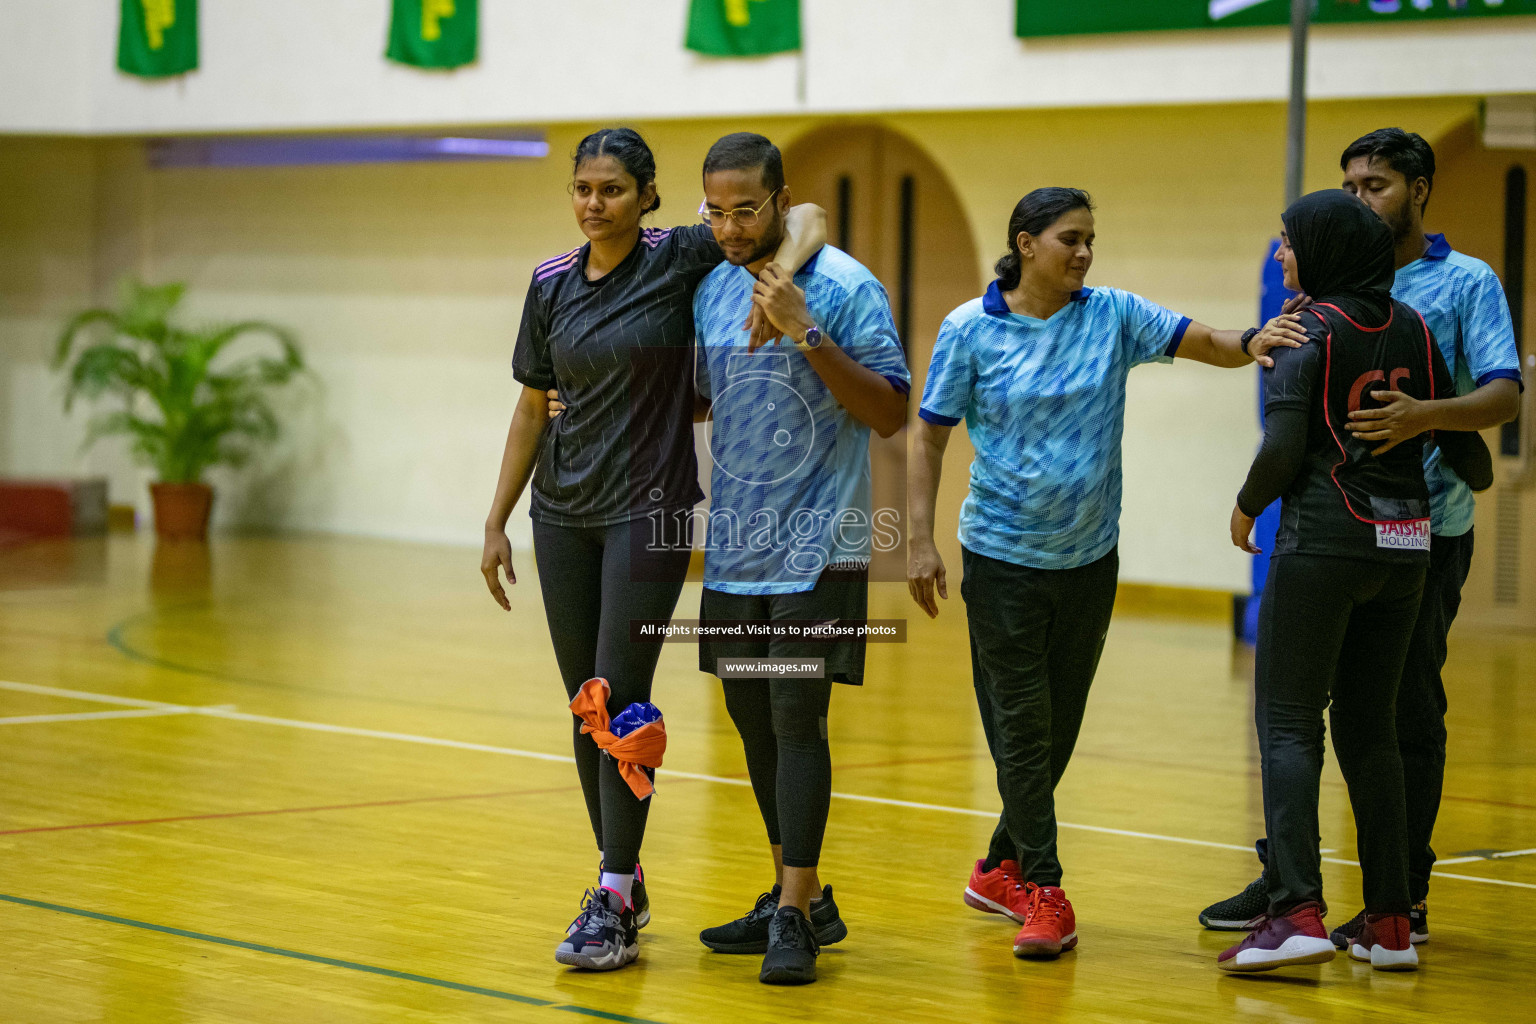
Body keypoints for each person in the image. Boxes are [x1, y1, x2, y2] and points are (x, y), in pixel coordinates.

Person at [907, 186, 1307, 961]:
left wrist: (1257, 339)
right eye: (1070, 239)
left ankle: (998, 868)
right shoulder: (968, 330)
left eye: (1091, 238)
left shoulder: (1113, 313)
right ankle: (1045, 892)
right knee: (1022, 730)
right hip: (1000, 560)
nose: (1085, 253)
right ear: (1026, 244)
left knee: (1052, 731)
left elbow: (1207, 341)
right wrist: (919, 542)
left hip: (1089, 560)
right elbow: (928, 440)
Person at [480, 127, 825, 972]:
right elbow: (533, 406)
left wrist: (779, 276)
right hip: (561, 512)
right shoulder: (550, 282)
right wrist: (496, 519)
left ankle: (611, 895)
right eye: (583, 189)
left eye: (613, 190)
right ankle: (620, 883)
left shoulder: (677, 257)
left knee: (620, 696)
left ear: (647, 198)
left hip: (649, 509)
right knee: (586, 707)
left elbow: (806, 213)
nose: (595, 203)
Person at [1199, 128, 1522, 946]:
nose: (1359, 199)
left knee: (1351, 715)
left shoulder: (1459, 282)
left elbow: (1501, 396)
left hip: (1408, 529)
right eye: (1349, 186)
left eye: (1375, 183)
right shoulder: (1331, 301)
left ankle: (1382, 896)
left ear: (1420, 190)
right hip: (1390, 531)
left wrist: (1425, 417)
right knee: (1349, 718)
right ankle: (1326, 893)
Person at [690, 132, 910, 986]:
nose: (732, 226)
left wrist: (804, 330)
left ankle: (791, 915)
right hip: (735, 548)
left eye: (747, 209)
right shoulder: (709, 286)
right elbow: (711, 396)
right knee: (751, 722)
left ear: (782, 200)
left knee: (794, 718)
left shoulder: (848, 286)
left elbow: (890, 412)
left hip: (822, 543)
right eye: (716, 211)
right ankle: (804, 894)